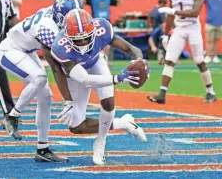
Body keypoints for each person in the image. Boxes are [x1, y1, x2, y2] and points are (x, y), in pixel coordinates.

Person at [51, 9, 149, 165]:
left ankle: (100, 142)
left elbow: (132, 50)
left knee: (108, 103)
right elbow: (85, 80)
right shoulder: (60, 46)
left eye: (86, 38)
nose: (83, 43)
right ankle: (124, 123)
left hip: (96, 62)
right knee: (76, 127)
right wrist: (116, 79)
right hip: (76, 76)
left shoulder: (102, 29)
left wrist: (140, 63)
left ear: (93, 32)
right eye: (77, 40)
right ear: (67, 37)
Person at [0, 0, 82, 162]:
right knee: (40, 78)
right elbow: (57, 66)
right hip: (9, 51)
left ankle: (42, 149)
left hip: (26, 51)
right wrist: (68, 99)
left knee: (46, 96)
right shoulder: (47, 28)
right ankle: (12, 116)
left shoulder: (56, 13)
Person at [147, 0, 216, 104]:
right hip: (179, 28)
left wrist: (175, 11)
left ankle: (210, 92)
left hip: (193, 27)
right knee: (169, 60)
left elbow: (195, 12)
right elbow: (170, 13)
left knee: (199, 60)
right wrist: (165, 33)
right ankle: (162, 95)